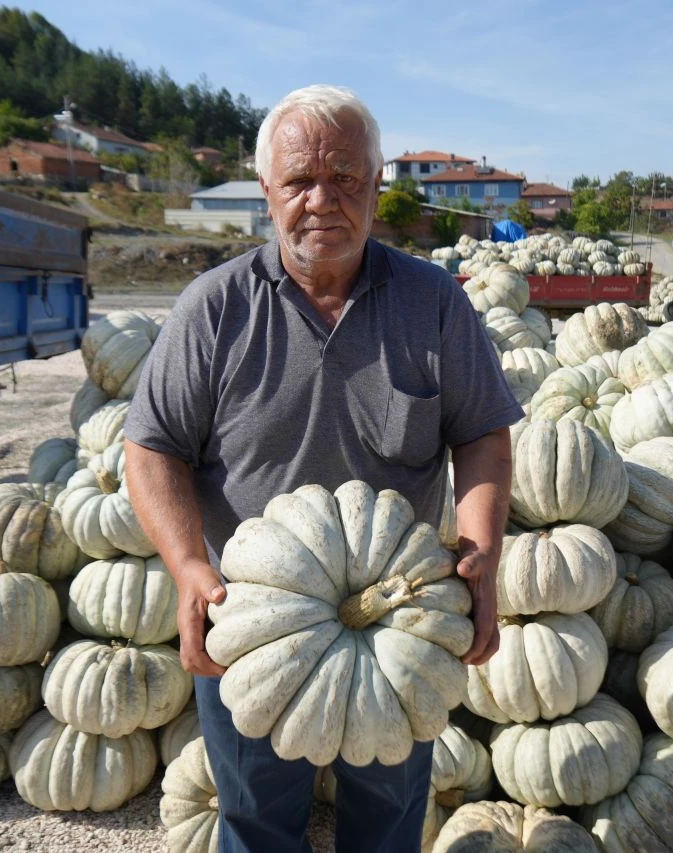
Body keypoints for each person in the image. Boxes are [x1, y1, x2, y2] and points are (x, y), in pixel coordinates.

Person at [123, 84, 523, 853]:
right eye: (300, 180)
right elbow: (152, 448)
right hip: (253, 623)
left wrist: (480, 555)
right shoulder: (214, 309)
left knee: (388, 821)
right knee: (257, 821)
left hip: (399, 618)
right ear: (267, 191)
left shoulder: (433, 301)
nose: (321, 200)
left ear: (377, 188)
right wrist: (184, 567)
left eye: (344, 178)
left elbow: (481, 436)